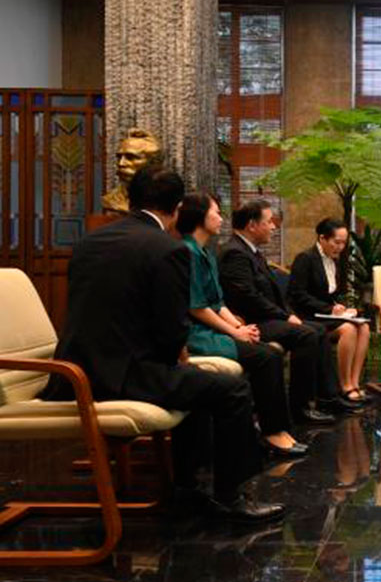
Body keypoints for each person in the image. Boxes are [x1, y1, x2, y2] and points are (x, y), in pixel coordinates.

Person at [40, 167, 282, 522]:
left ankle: (189, 488)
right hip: (122, 375)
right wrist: (179, 361)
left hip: (73, 373)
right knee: (232, 390)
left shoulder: (88, 243)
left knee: (200, 387)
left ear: (132, 199)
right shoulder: (167, 249)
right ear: (178, 208)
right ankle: (232, 497)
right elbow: (171, 332)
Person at [177, 192, 307, 459]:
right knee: (267, 356)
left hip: (216, 327)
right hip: (196, 334)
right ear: (200, 217)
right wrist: (235, 331)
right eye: (215, 212)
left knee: (266, 349)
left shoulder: (206, 252)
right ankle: (272, 432)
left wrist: (237, 326)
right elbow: (197, 307)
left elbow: (218, 301)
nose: (221, 218)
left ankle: (276, 428)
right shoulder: (186, 252)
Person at [219, 199, 346, 425]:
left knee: (316, 330)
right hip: (251, 322)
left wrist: (288, 314)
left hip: (268, 317)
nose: (274, 227)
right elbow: (248, 298)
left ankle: (328, 397)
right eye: (269, 222)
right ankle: (300, 406)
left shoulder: (252, 252)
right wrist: (285, 316)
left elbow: (276, 295)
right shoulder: (234, 253)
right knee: (307, 334)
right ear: (252, 225)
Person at [288, 217, 372, 404]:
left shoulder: (337, 260)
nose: (340, 247)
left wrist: (343, 308)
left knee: (364, 328)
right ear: (322, 238)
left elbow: (331, 293)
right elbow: (297, 294)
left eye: (344, 243)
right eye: (336, 242)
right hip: (308, 315)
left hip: (328, 313)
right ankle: (344, 386)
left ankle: (355, 382)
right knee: (348, 329)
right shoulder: (306, 258)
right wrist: (329, 308)